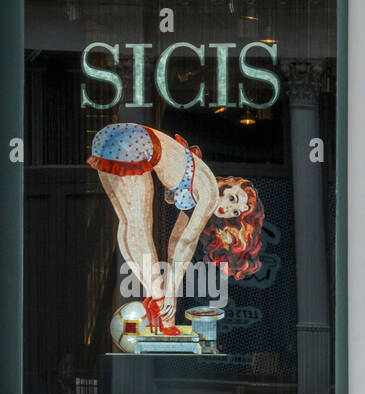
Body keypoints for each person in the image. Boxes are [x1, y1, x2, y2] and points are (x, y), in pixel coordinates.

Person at [88, 123, 264, 335]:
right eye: (233, 198)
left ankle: (158, 303)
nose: (227, 208)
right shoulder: (208, 194)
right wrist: (170, 293)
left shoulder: (199, 190)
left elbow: (175, 244)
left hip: (113, 139)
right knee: (139, 225)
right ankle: (162, 308)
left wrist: (167, 287)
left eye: (234, 213)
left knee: (129, 223)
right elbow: (186, 244)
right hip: (133, 143)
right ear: (228, 184)